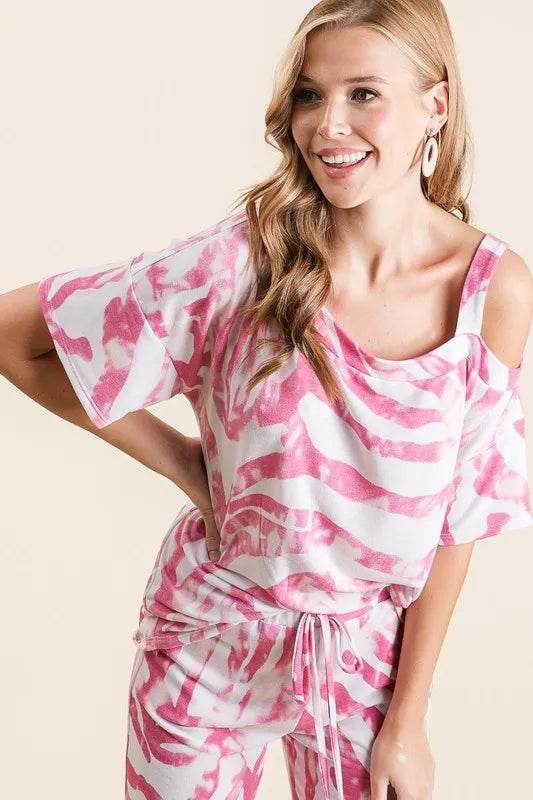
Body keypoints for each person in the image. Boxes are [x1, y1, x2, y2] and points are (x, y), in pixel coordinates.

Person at [1, 1, 532, 798]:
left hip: (365, 661)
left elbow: (461, 517)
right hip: (207, 645)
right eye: (310, 95)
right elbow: (18, 339)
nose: (328, 125)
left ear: (436, 105)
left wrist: (408, 719)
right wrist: (184, 464)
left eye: (363, 93)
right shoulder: (239, 263)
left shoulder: (489, 291)